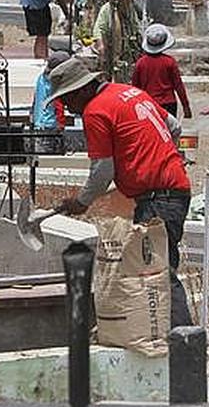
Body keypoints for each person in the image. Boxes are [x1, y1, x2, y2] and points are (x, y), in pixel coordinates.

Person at [46, 58, 192, 327]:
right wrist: (157, 158)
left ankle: (184, 338)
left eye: (67, 99)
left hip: (158, 199)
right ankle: (161, 335)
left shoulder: (95, 111)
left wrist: (82, 201)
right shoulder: (130, 92)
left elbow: (103, 169)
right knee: (153, 268)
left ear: (82, 89)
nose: (67, 106)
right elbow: (173, 126)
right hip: (173, 191)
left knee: (158, 272)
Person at [132, 24, 192, 119]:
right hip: (169, 104)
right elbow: (178, 86)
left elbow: (135, 87)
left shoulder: (140, 63)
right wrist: (186, 106)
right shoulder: (170, 62)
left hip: (148, 103)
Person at [92, 0, 143, 80]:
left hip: (126, 52)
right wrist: (101, 46)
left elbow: (136, 27)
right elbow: (98, 29)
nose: (129, 1)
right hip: (110, 50)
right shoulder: (107, 10)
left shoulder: (131, 10)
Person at [32, 50, 70, 132]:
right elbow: (58, 103)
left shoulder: (42, 77)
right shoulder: (55, 82)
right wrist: (61, 123)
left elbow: (37, 99)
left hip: (39, 121)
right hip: (51, 123)